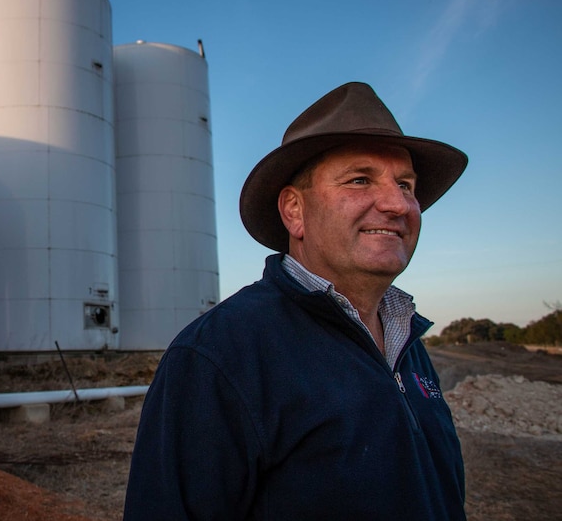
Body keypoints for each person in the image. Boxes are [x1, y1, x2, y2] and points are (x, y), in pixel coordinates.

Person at [123, 82, 469, 520]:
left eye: (405, 184)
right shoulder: (220, 355)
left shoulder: (408, 342)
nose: (397, 203)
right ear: (294, 211)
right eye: (360, 180)